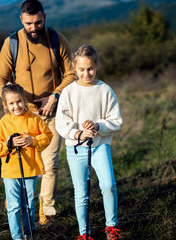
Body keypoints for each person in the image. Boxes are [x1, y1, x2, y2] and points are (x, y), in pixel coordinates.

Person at [0, 0, 76, 224]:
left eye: (38, 22)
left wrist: (56, 95)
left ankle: (45, 213)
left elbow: (72, 74)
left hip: (53, 113)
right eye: (29, 23)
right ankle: (16, 208)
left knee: (50, 164)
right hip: (21, 118)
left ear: (44, 18)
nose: (34, 28)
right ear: (21, 20)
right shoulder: (11, 43)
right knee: (21, 167)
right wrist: (9, 97)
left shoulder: (57, 40)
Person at [55, 44, 123, 240]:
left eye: (90, 69)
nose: (87, 73)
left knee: (108, 185)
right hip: (76, 149)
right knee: (81, 193)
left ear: (96, 66)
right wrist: (78, 134)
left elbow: (116, 120)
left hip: (100, 146)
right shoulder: (68, 92)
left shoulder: (105, 90)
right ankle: (84, 233)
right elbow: (61, 123)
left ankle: (111, 227)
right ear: (75, 69)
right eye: (82, 70)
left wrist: (98, 126)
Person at [0, 83, 53, 240]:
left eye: (19, 101)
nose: (16, 106)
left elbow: (47, 136)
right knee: (14, 206)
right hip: (10, 172)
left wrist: (33, 140)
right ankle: (17, 236)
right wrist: (8, 144)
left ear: (24, 100)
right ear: (5, 105)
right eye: (11, 103)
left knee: (29, 204)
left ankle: (29, 233)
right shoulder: (2, 124)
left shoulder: (34, 119)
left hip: (30, 169)